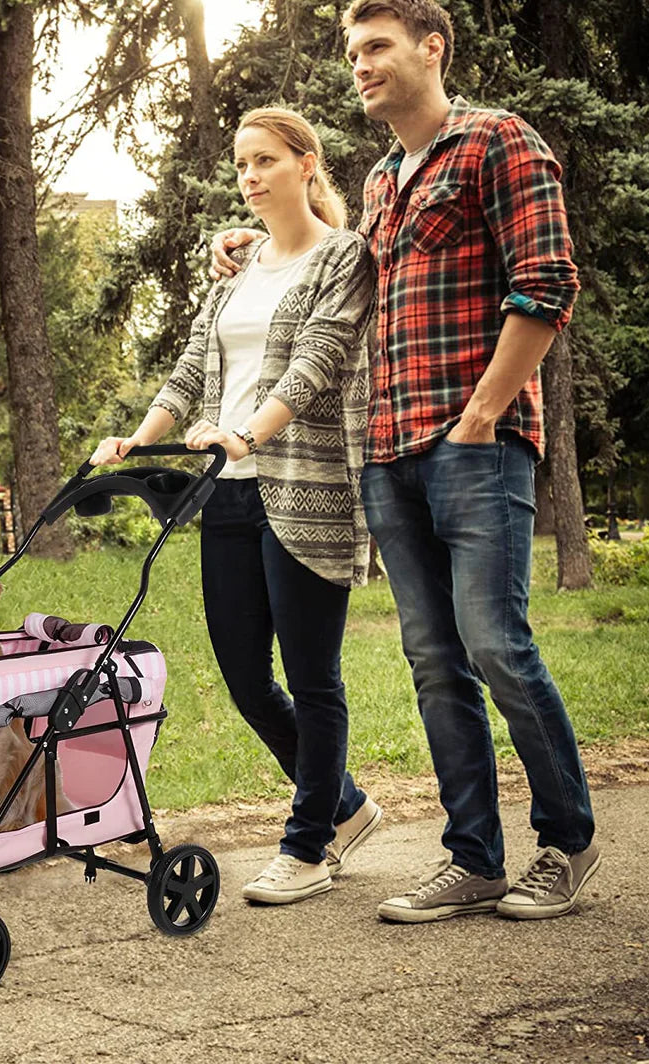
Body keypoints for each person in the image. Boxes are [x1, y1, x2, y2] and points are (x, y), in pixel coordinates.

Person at [211, 0, 599, 923]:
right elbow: (336, 267)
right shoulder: (386, 178)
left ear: (433, 48)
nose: (361, 63)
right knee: (434, 661)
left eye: (378, 46)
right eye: (353, 51)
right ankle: (474, 858)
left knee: (495, 644)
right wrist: (251, 242)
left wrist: (484, 413)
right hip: (387, 453)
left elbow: (547, 283)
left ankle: (567, 840)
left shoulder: (499, 140)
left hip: (475, 444)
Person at [92, 107, 382, 905]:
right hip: (228, 490)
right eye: (242, 165)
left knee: (313, 677)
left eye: (265, 161)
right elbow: (191, 369)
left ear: (305, 164)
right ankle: (346, 805)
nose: (251, 178)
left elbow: (320, 361)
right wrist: (137, 438)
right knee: (246, 680)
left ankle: (309, 844)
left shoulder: (343, 257)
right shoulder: (239, 270)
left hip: (307, 486)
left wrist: (249, 433)